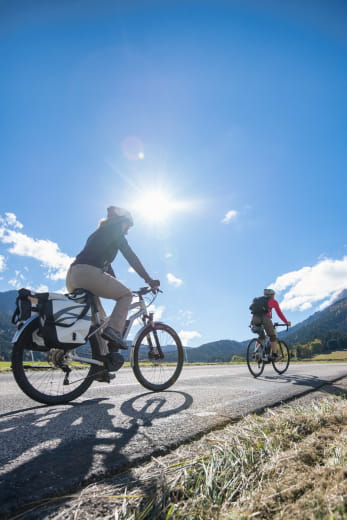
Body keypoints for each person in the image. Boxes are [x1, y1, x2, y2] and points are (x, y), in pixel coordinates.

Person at [66, 206, 160, 351]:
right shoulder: (115, 230)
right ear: (121, 221)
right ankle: (115, 332)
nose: (127, 231)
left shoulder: (99, 233)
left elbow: (107, 266)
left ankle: (100, 368)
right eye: (128, 226)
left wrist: (115, 283)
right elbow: (131, 257)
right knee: (126, 295)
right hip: (88, 274)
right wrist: (149, 280)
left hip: (73, 276)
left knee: (100, 324)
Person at [250, 288, 291, 359]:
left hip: (255, 318)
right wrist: (286, 322)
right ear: (272, 295)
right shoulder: (273, 301)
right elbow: (279, 313)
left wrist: (252, 322)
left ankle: (255, 352)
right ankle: (274, 355)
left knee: (262, 337)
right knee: (272, 336)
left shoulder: (259, 301)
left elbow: (254, 313)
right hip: (265, 318)